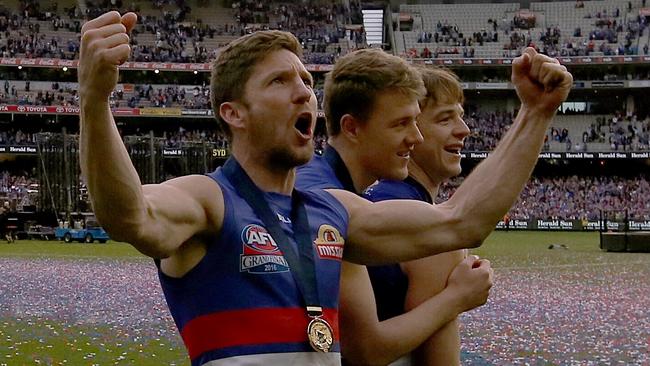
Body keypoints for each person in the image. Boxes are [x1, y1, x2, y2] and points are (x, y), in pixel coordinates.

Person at [78, 11, 572, 366]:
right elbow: (131, 216)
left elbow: (463, 221)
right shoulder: (209, 198)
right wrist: (95, 101)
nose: (303, 91)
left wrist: (536, 113)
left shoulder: (330, 209)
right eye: (278, 82)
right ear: (235, 113)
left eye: (305, 80)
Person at [297, 47, 571, 365]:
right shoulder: (326, 201)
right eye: (401, 123)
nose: (415, 137)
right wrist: (455, 298)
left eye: (415, 122)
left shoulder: (323, 182)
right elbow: (462, 223)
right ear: (352, 128)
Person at [362, 66, 492, 365]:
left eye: (460, 115)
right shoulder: (429, 228)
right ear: (410, 129)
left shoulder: (371, 198)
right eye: (445, 118)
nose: (464, 129)